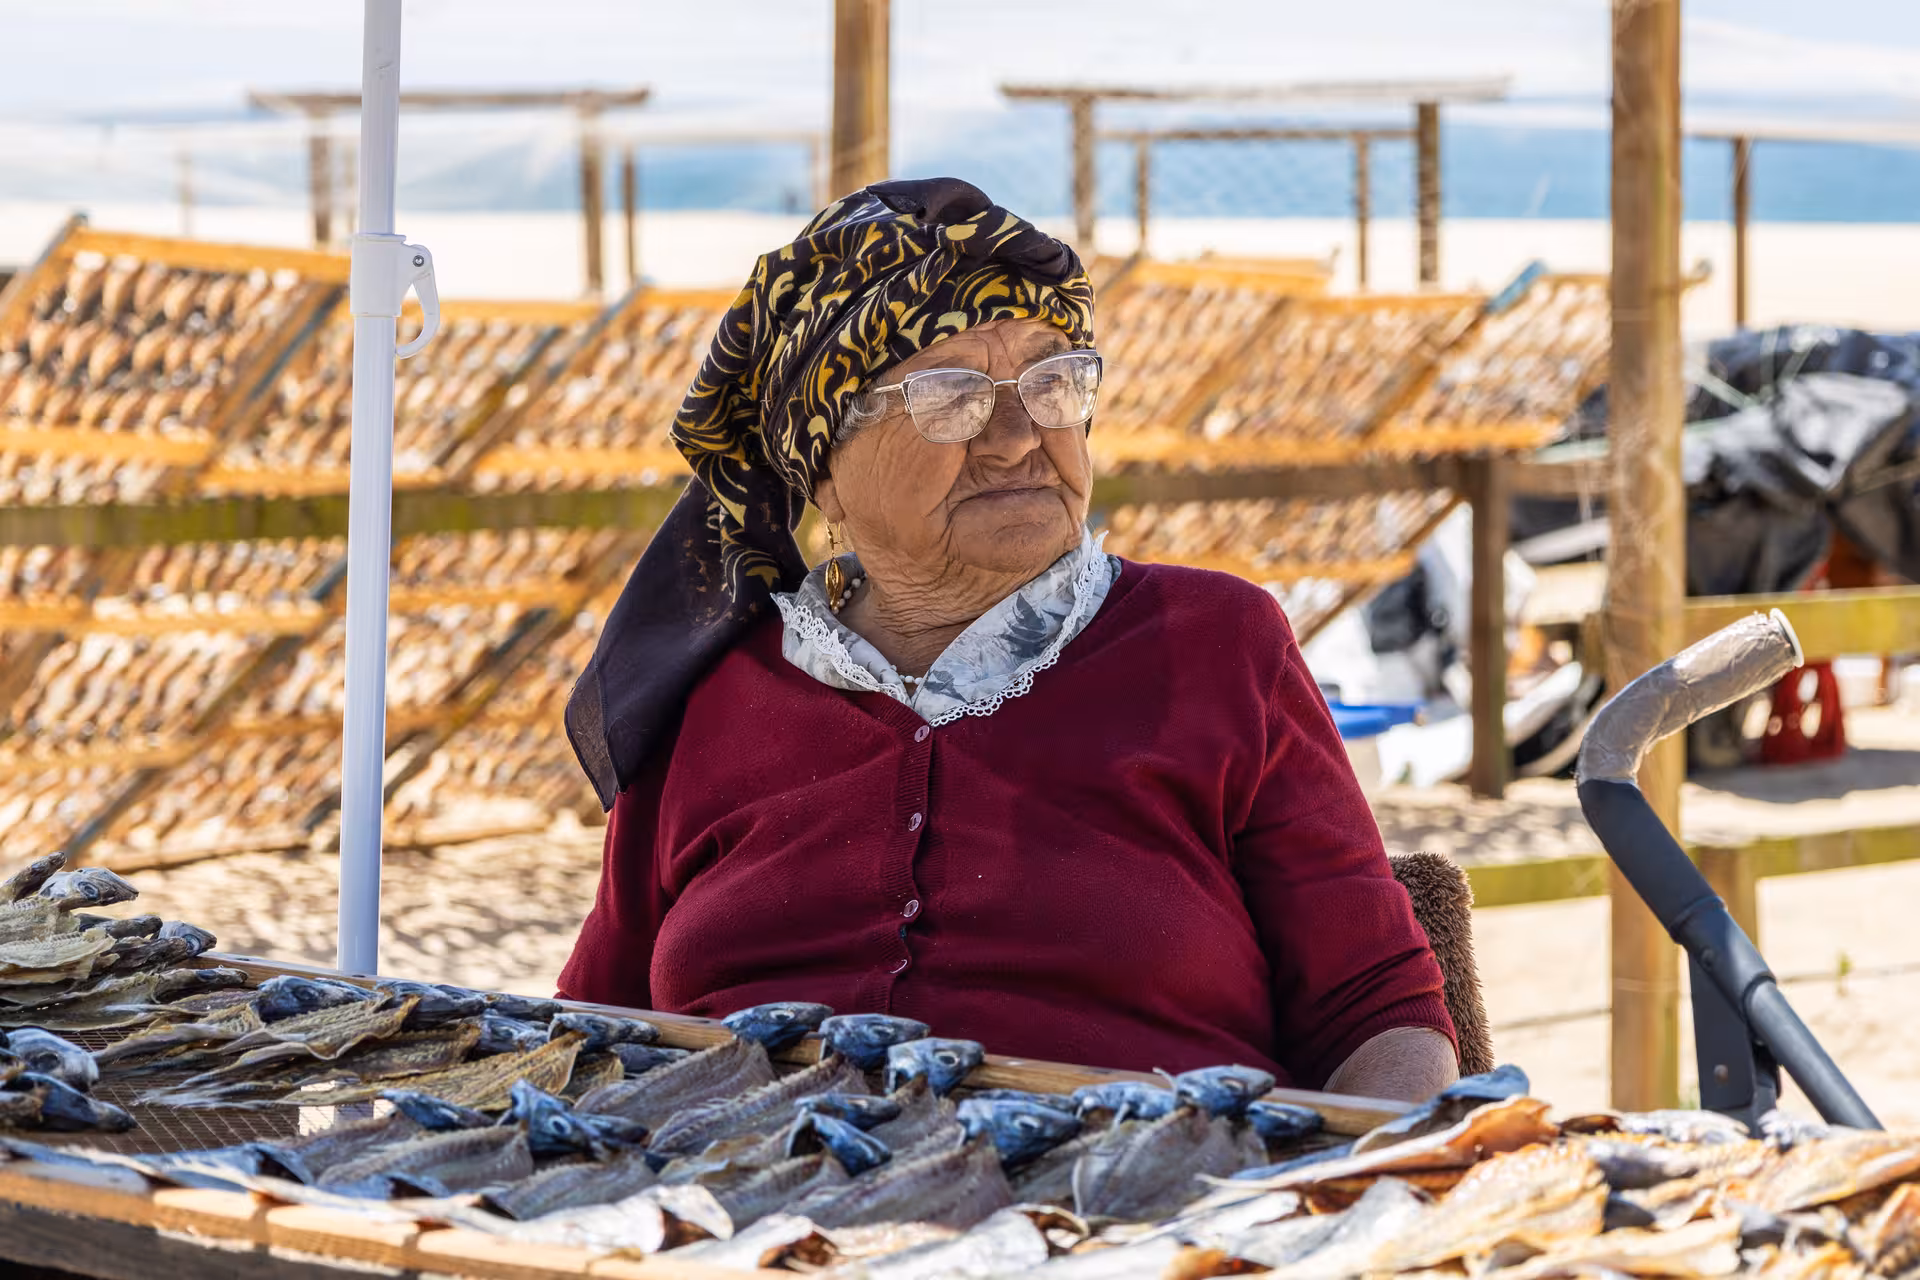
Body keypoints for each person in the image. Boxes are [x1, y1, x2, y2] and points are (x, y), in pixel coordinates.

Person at [558, 178, 1457, 1101]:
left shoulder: (1216, 643)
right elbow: (593, 1034)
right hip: (755, 1212)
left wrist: (1360, 1190)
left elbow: (1374, 1012)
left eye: (1052, 382)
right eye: (950, 398)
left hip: (1145, 1208)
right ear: (822, 469)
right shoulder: (707, 694)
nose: (1019, 436)